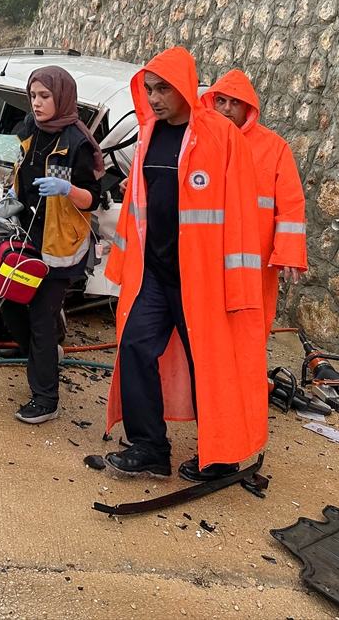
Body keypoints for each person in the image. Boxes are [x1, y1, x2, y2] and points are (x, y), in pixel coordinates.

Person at [103, 47, 267, 483]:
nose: (155, 98)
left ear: (185, 87)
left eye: (164, 89)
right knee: (135, 347)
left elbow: (241, 214)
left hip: (204, 280)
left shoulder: (220, 136)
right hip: (154, 274)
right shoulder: (148, 135)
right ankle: (150, 448)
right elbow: (136, 208)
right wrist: (123, 264)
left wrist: (239, 285)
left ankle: (221, 454)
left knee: (209, 365)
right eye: (150, 89)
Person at [3, 67, 104, 424]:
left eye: (45, 96)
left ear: (61, 97)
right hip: (26, 236)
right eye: (33, 96)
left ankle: (46, 399)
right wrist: (10, 198)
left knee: (42, 317)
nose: (38, 103)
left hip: (60, 244)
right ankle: (45, 357)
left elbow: (94, 198)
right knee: (10, 305)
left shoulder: (76, 142)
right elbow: (20, 171)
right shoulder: (30, 129)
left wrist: (66, 190)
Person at [201, 70, 307, 324]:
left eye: (235, 102)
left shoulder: (274, 147)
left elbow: (291, 205)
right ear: (210, 102)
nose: (226, 108)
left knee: (249, 325)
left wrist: (289, 252)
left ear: (247, 107)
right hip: (204, 251)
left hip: (252, 260)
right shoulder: (195, 140)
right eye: (221, 101)